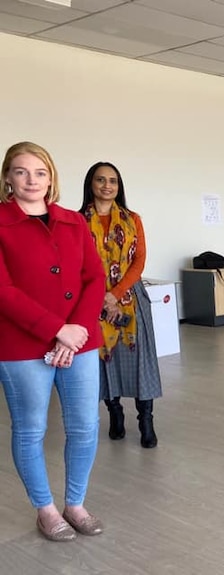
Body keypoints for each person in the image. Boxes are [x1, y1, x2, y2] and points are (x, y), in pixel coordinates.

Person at [0, 142, 105, 540]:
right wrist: (55, 330)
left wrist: (74, 331)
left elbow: (93, 278)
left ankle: (75, 504)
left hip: (79, 341)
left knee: (84, 426)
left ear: (51, 178)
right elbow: (3, 289)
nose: (31, 180)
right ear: (7, 177)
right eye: (21, 171)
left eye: (40, 172)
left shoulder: (73, 221)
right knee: (30, 429)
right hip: (21, 346)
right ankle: (45, 509)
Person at [79, 162, 162, 448]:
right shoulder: (76, 221)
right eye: (100, 180)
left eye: (112, 181)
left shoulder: (132, 219)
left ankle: (146, 421)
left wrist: (115, 293)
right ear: (91, 183)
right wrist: (100, 296)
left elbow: (138, 261)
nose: (107, 185)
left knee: (141, 361)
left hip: (130, 301)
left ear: (119, 186)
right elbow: (75, 263)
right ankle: (115, 414)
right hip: (91, 300)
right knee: (103, 362)